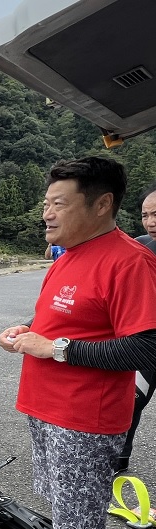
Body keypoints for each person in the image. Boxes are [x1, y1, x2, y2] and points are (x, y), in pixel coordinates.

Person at [0, 156, 156, 529]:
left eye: (58, 203)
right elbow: (68, 320)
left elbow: (147, 348)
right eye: (46, 203)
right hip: (48, 409)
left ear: (102, 203)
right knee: (69, 516)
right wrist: (27, 331)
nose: (46, 213)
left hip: (84, 419)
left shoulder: (129, 260)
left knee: (83, 526)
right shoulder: (69, 252)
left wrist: (58, 349)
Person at [118, 183, 156, 471]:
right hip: (147, 345)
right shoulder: (140, 245)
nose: (151, 222)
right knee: (131, 402)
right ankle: (119, 459)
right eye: (146, 214)